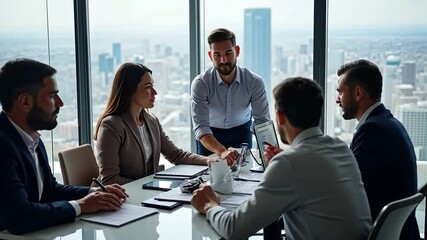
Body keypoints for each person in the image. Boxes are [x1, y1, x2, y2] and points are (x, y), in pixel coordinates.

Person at [191, 77, 372, 240]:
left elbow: (234, 229)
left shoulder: (289, 164)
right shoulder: (340, 148)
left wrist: (209, 205)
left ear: (279, 117)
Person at [0, 58, 128, 235]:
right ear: (25, 102)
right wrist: (81, 206)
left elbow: (50, 190)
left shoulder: (31, 139)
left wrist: (95, 193)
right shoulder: (3, 147)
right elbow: (19, 217)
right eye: (52, 96)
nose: (60, 103)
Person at [336, 59, 420, 240]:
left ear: (357, 93)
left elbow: (347, 188)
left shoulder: (373, 130)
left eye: (340, 92)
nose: (337, 99)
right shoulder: (388, 123)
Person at [94, 63, 210, 185]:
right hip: (115, 198)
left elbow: (176, 155)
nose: (154, 92)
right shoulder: (111, 125)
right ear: (129, 90)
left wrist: (209, 161)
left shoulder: (151, 121)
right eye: (148, 87)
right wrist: (148, 187)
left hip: (143, 193)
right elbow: (110, 180)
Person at [190, 28, 270, 164]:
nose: (223, 60)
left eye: (228, 53)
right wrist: (222, 151)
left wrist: (269, 152)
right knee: (209, 179)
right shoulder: (201, 83)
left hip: (242, 134)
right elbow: (201, 127)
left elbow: (262, 122)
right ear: (210, 56)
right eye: (217, 55)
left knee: (245, 177)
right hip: (209, 137)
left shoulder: (254, 82)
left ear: (237, 51)